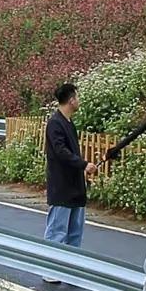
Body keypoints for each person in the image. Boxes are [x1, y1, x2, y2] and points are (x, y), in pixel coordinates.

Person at [40, 81, 90, 253]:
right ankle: (51, 268)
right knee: (57, 231)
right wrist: (84, 165)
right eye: (77, 96)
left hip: (76, 186)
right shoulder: (55, 123)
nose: (79, 100)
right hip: (61, 187)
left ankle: (71, 269)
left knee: (74, 234)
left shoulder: (69, 123)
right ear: (71, 100)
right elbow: (61, 152)